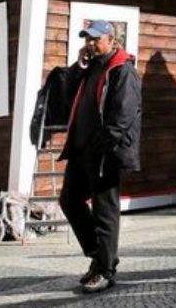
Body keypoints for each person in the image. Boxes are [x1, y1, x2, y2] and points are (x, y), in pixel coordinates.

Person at [58, 20, 142, 294]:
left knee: (105, 211)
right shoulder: (91, 67)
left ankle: (105, 270)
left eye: (95, 39)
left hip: (104, 152)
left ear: (111, 39)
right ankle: (99, 254)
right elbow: (66, 94)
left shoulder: (122, 69)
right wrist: (78, 67)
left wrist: (103, 145)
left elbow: (124, 115)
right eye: (86, 39)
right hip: (81, 150)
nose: (90, 44)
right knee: (69, 200)